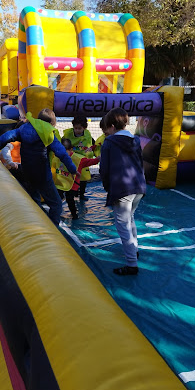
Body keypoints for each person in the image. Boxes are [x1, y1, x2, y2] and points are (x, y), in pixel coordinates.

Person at [0, 109, 77, 226]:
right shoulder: (48, 132)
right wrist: (72, 169)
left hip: (27, 173)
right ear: (52, 123)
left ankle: (35, 224)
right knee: (56, 203)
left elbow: (6, 137)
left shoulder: (25, 128)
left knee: (34, 199)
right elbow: (61, 152)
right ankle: (52, 229)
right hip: (42, 175)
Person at [100, 107, 146, 276]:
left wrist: (108, 187)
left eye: (107, 128)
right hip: (138, 187)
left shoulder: (110, 142)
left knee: (123, 226)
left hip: (122, 189)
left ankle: (131, 264)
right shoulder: (135, 140)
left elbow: (104, 169)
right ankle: (134, 250)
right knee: (130, 219)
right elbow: (141, 163)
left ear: (112, 126)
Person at [53, 138, 100, 219]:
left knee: (70, 200)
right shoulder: (57, 155)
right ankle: (56, 212)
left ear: (71, 149)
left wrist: (98, 159)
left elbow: (90, 162)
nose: (63, 154)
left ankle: (74, 215)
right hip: (61, 182)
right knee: (57, 197)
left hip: (73, 184)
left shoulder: (78, 159)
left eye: (65, 151)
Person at [63, 115, 94, 200]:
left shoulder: (87, 134)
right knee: (73, 177)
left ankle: (82, 194)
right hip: (72, 158)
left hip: (82, 159)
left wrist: (90, 151)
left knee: (83, 178)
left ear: (84, 128)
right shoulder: (68, 134)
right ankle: (75, 193)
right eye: (75, 128)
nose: (77, 130)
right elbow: (64, 143)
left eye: (79, 128)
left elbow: (90, 145)